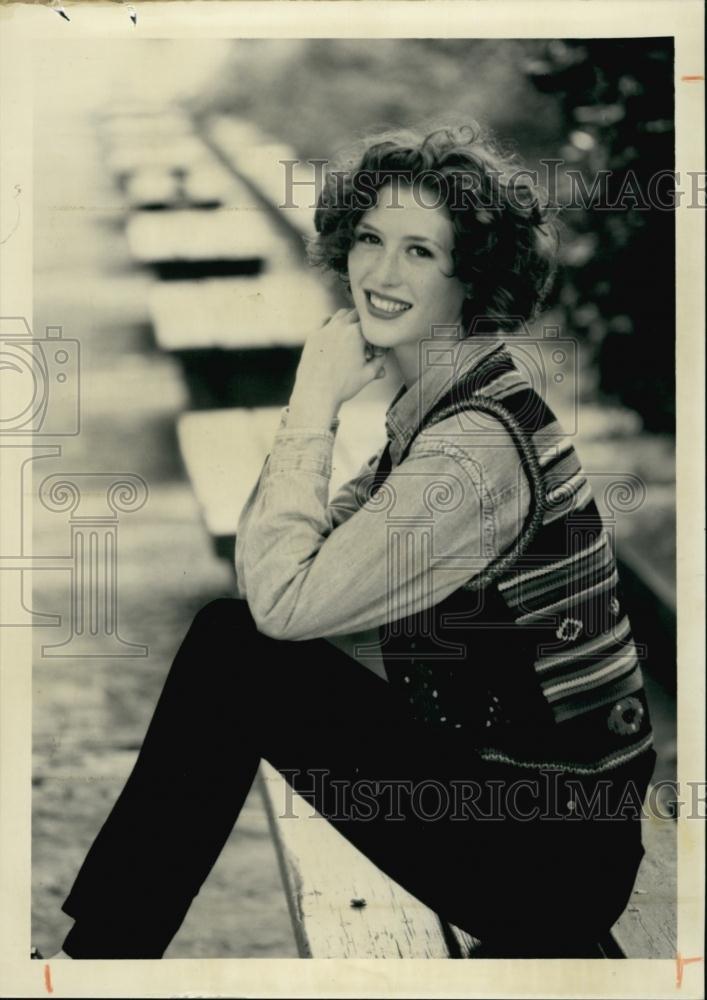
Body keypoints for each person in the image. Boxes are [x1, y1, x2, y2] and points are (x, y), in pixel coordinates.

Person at [48, 122, 656, 960]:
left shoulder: (470, 450)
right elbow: (285, 570)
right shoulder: (449, 403)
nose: (378, 271)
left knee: (235, 654)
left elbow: (281, 607)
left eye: (419, 252)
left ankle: (99, 960)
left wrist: (310, 408)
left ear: (470, 276)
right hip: (541, 816)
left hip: (551, 855)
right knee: (234, 648)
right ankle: (104, 953)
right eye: (370, 239)